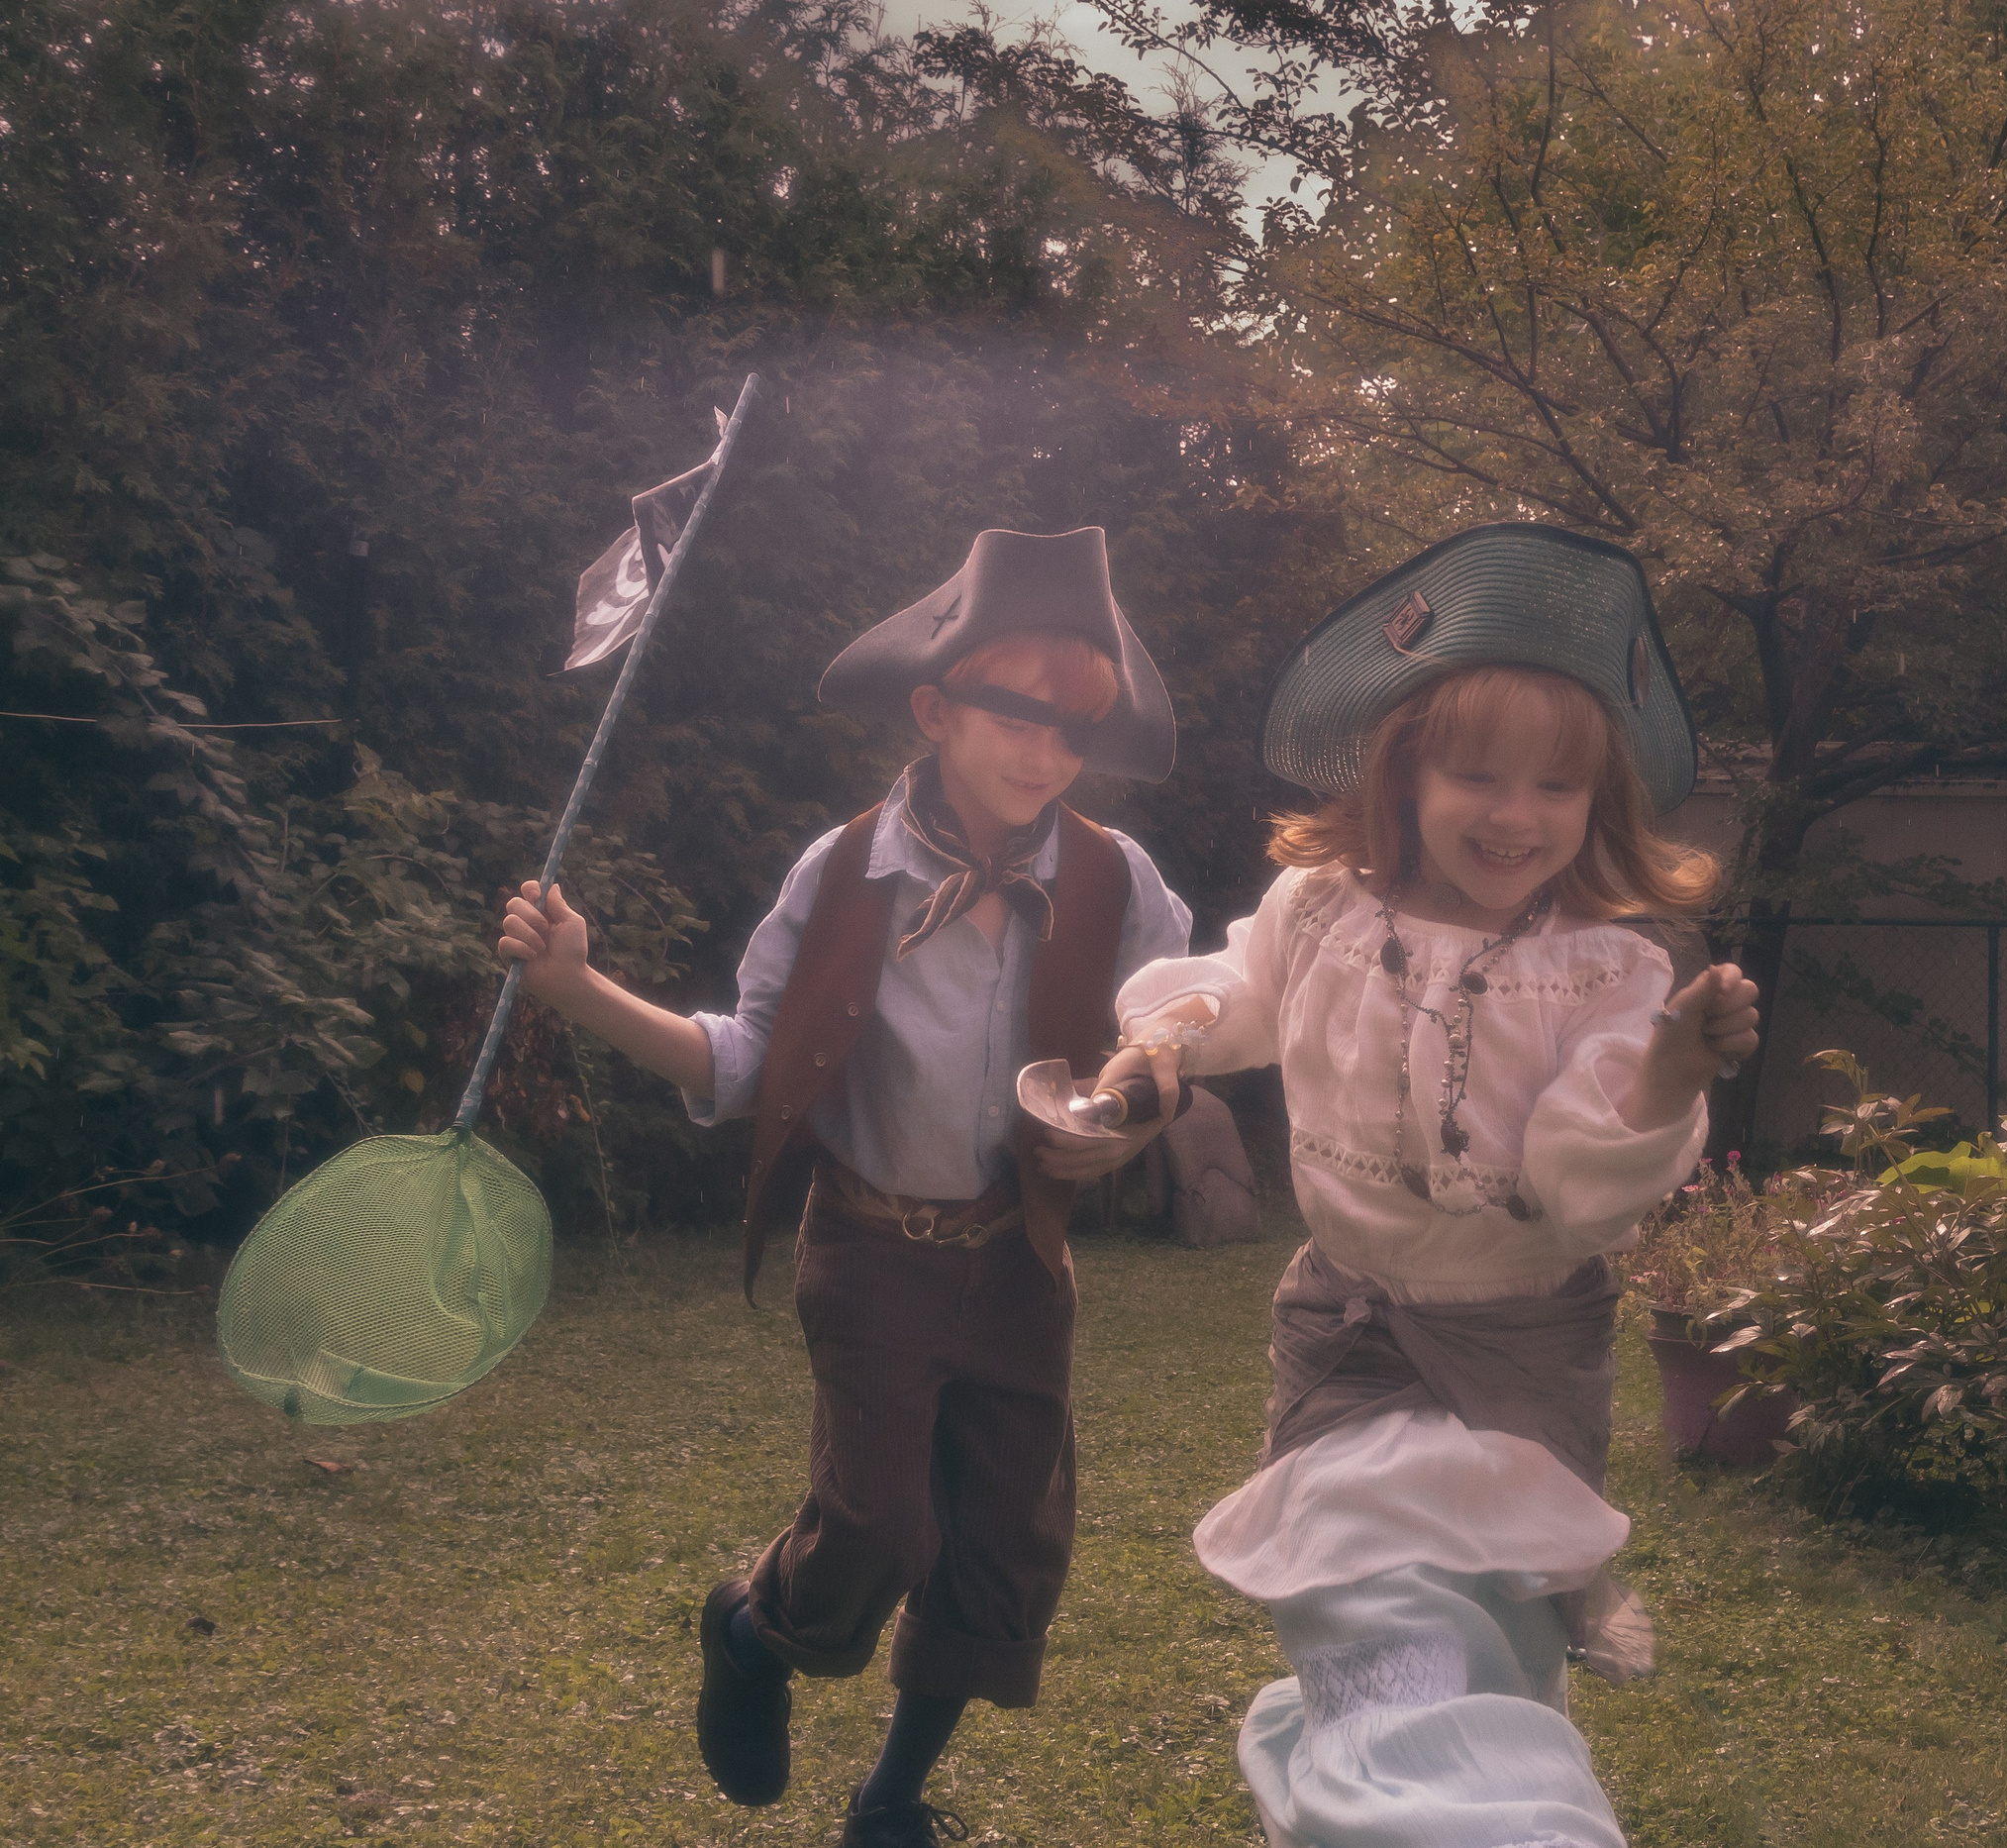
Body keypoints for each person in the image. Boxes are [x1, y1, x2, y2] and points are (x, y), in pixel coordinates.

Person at [495, 527, 1191, 1848]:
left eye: (1075, 725)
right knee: (879, 1523)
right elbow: (747, 1059)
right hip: (872, 1245)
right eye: (1017, 710)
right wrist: (579, 986)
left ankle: (890, 1800)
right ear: (935, 707)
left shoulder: (1113, 876)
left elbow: (1176, 1022)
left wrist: (1138, 1106)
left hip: (1019, 1253)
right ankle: (756, 1631)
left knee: (1003, 1540)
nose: (1044, 749)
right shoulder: (846, 870)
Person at [1084, 523, 1761, 1848]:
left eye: (1555, 789)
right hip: (1349, 1339)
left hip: (1525, 1358)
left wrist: (1673, 1066)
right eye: (1477, 773)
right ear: (1403, 772)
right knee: (1379, 1607)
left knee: (1495, 1652)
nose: (1516, 814)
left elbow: (1576, 1184)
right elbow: (1238, 992)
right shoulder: (1324, 906)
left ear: (1597, 804)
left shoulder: (1607, 975)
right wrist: (1160, 1039)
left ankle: (1347, 1779)